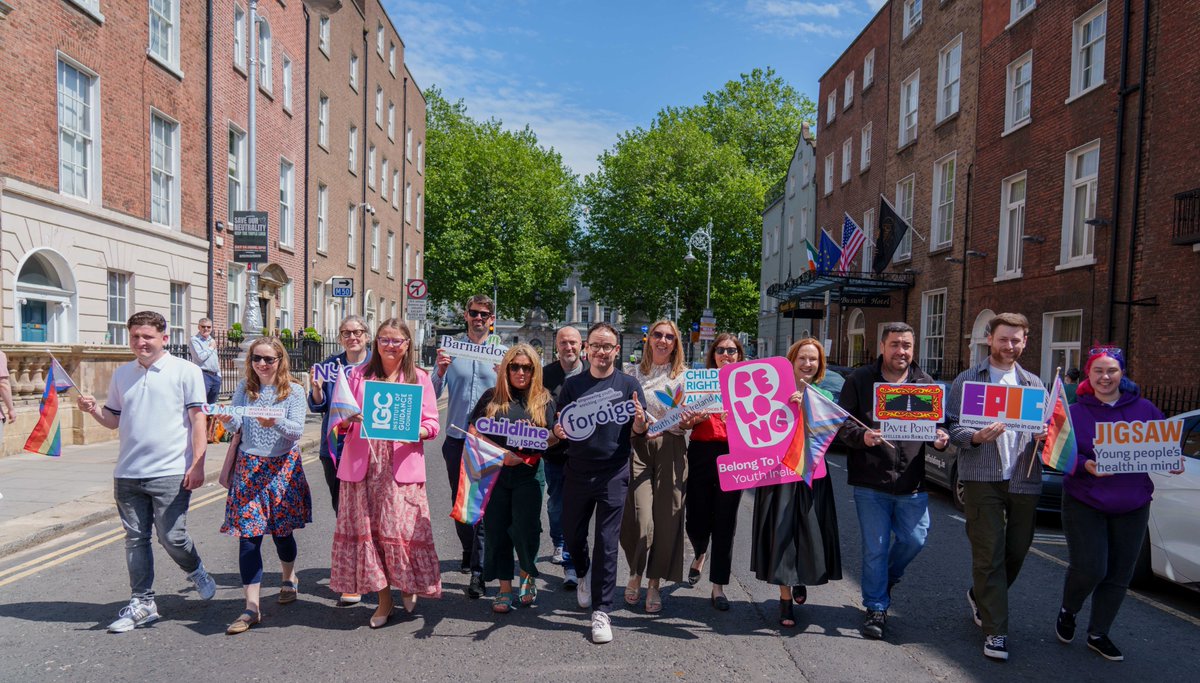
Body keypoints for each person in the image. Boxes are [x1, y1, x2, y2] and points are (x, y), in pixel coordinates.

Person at [76, 311, 217, 633]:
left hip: (170, 470)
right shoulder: (122, 374)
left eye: (147, 337)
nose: (141, 342)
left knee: (172, 537)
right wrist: (94, 410)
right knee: (135, 539)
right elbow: (113, 419)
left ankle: (195, 569)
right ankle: (143, 602)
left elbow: (198, 420)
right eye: (135, 337)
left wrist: (198, 463)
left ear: (163, 338)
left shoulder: (186, 371)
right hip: (127, 472)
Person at [1056, 346, 1178, 661]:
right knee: (1091, 567)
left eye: (1111, 370)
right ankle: (1069, 609)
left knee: (1119, 574)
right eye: (1098, 370)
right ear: (1089, 374)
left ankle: (1099, 633)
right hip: (1086, 500)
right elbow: (1060, 455)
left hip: (1133, 503)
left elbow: (1164, 448)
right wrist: (1086, 466)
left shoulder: (1146, 409)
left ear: (1122, 373)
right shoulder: (1075, 412)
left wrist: (1172, 459)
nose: (1105, 377)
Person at [836, 323, 949, 639]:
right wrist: (863, 437)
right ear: (882, 346)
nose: (902, 351)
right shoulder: (859, 380)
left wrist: (941, 438)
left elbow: (939, 427)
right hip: (871, 483)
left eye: (908, 346)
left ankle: (886, 577)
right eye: (896, 344)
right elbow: (842, 424)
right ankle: (876, 607)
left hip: (912, 483)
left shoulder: (924, 384)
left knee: (915, 539)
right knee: (876, 548)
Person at [946, 312, 1046, 662]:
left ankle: (979, 594)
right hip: (982, 477)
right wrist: (973, 437)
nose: (1010, 345)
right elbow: (952, 428)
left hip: (1023, 476)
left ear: (1025, 342)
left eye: (1016, 339)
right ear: (990, 339)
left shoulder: (1034, 385)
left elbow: (1046, 433)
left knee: (1016, 551)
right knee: (988, 554)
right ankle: (996, 632)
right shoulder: (968, 380)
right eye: (1003, 338)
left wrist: (1044, 436)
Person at [331, 319, 441, 628]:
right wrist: (346, 418)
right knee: (371, 535)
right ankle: (384, 600)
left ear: (407, 344)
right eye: (384, 340)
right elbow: (338, 418)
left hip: (400, 464)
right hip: (363, 465)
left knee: (402, 531)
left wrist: (415, 430)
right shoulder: (357, 375)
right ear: (376, 342)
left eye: (396, 340)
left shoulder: (419, 377)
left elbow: (432, 424)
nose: (389, 345)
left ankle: (407, 584)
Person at [553, 322, 648, 644]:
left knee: (607, 543)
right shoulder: (573, 385)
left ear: (616, 350)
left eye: (607, 346)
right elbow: (560, 424)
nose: (601, 351)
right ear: (586, 349)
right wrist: (558, 431)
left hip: (614, 472)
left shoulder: (629, 384)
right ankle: (582, 574)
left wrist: (639, 422)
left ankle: (602, 611)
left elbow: (639, 431)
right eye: (596, 345)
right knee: (572, 534)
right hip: (577, 471)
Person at [216, 337, 312, 635]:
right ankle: (251, 607)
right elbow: (236, 426)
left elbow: (297, 430)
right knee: (249, 537)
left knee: (282, 533)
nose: (262, 364)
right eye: (257, 358)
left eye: (269, 359)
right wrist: (225, 419)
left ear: (280, 361)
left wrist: (276, 423)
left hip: (282, 468)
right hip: (249, 468)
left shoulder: (294, 391)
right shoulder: (246, 389)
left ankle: (289, 577)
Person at [751, 338, 843, 628]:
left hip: (811, 470)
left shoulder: (826, 393)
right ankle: (785, 600)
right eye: (802, 358)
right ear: (791, 360)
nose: (807, 364)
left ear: (820, 365)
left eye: (813, 360)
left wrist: (811, 407)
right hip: (777, 471)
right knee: (781, 533)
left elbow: (834, 431)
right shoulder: (773, 391)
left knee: (808, 529)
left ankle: (800, 577)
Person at [469, 343, 557, 613]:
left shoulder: (544, 399)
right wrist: (500, 454)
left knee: (526, 529)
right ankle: (505, 588)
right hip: (496, 472)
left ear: (534, 371)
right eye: (515, 366)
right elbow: (473, 432)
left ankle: (527, 578)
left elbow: (553, 437)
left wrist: (550, 438)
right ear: (505, 369)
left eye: (527, 368)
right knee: (497, 529)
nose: (520, 372)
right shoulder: (491, 398)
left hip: (529, 473)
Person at [621, 319, 689, 614]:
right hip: (638, 447)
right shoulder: (631, 373)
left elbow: (693, 418)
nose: (663, 341)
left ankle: (654, 582)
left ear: (676, 344)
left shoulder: (686, 377)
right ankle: (636, 570)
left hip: (672, 449)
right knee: (640, 518)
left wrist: (688, 420)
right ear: (648, 339)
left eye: (669, 337)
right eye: (658, 335)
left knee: (668, 518)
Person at [432, 295, 498, 599]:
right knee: (460, 503)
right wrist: (440, 371)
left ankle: (479, 571)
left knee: (481, 505)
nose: (479, 318)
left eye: (484, 314)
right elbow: (431, 395)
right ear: (465, 315)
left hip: (488, 441)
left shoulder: (500, 353)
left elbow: (514, 394)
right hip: (456, 438)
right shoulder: (451, 350)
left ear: (492, 319)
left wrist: (503, 377)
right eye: (474, 313)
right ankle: (469, 550)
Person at [307, 315, 372, 606]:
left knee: (370, 513)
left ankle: (374, 570)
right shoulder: (329, 366)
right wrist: (317, 389)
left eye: (357, 332)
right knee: (343, 513)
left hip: (369, 447)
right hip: (335, 447)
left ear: (367, 335)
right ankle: (352, 576)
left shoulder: (379, 366)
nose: (352, 337)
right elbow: (318, 405)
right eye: (346, 333)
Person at [680, 333, 743, 611]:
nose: (726, 355)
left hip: (734, 454)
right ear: (713, 354)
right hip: (702, 453)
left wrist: (741, 417)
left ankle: (718, 587)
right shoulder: (699, 382)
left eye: (732, 350)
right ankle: (700, 550)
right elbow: (684, 422)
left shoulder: (747, 385)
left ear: (740, 355)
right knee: (695, 518)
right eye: (721, 350)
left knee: (725, 522)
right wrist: (692, 419)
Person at [542, 326, 587, 590]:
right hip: (555, 452)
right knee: (556, 504)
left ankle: (572, 560)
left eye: (572, 343)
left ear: (581, 346)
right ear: (556, 346)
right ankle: (558, 540)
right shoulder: (546, 374)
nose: (568, 347)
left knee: (577, 508)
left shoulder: (591, 372)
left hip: (583, 455)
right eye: (563, 343)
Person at [188, 318, 222, 405]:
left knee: (212, 405)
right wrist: (211, 347)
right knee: (202, 403)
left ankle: (209, 419)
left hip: (215, 375)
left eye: (209, 327)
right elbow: (200, 357)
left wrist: (219, 374)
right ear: (199, 327)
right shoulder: (194, 340)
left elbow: (215, 358)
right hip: (204, 374)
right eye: (203, 326)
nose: (206, 329)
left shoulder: (211, 340)